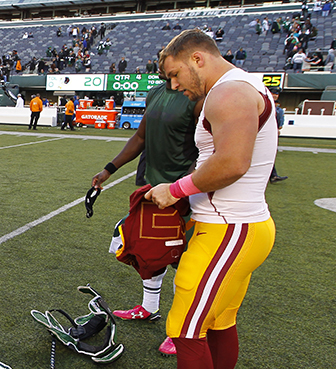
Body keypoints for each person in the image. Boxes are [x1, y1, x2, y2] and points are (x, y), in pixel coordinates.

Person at [149, 29, 276, 369]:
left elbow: (233, 163)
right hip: (240, 225)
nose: (174, 86)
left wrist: (175, 189)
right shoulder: (240, 86)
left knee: (185, 330)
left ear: (197, 59)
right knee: (219, 321)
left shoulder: (229, 92)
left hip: (228, 228)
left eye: (174, 74)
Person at [91, 80, 202, 356]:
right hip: (151, 188)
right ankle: (149, 308)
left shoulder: (198, 97)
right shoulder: (156, 92)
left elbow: (205, 148)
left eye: (173, 67)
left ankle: (183, 330)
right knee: (149, 251)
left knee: (184, 260)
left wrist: (184, 187)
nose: (168, 74)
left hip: (183, 192)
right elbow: (140, 137)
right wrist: (109, 169)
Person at [268, 87, 287, 183]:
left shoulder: (278, 110)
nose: (275, 95)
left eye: (276, 94)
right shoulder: (266, 105)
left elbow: (279, 122)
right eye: (273, 93)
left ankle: (273, 175)